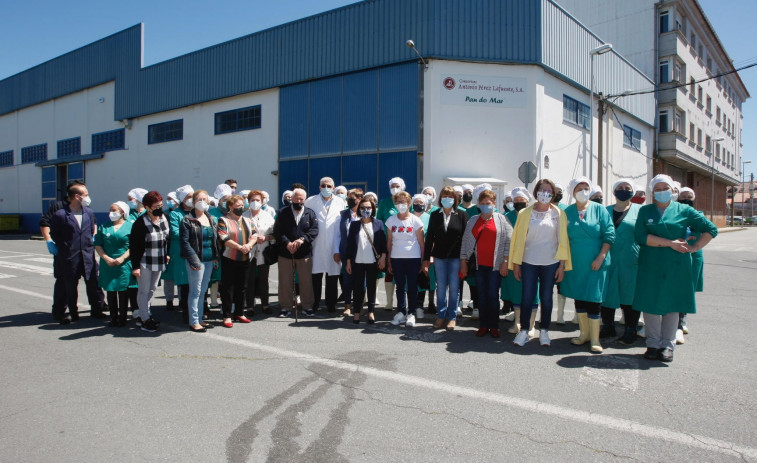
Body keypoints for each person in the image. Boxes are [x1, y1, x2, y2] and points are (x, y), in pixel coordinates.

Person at [634, 175, 717, 362]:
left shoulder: (684, 210)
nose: (662, 192)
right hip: (651, 263)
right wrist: (669, 243)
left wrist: (695, 248)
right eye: (658, 188)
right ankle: (652, 344)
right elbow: (640, 236)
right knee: (650, 304)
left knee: (672, 306)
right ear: (652, 192)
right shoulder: (645, 211)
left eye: (666, 188)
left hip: (676, 265)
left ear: (673, 191)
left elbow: (711, 229)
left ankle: (667, 346)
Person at [508, 179, 571, 346]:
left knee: (546, 297)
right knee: (527, 296)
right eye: (542, 189)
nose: (545, 193)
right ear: (536, 192)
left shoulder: (558, 213)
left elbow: (563, 241)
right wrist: (516, 263)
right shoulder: (525, 213)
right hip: (528, 261)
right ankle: (524, 331)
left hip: (551, 262)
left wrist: (562, 265)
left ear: (553, 193)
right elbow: (517, 240)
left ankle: (544, 331)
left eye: (549, 190)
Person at [560, 177, 615, 353]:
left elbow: (609, 234)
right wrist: (562, 263)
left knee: (594, 299)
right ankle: (583, 334)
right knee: (580, 298)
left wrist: (601, 256)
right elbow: (562, 239)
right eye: (579, 188)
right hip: (575, 263)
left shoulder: (600, 210)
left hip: (596, 262)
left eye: (586, 188)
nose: (583, 191)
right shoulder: (567, 212)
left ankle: (595, 338)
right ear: (573, 191)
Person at [48, 182, 106, 323]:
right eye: (85, 195)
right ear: (76, 196)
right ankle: (67, 312)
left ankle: (97, 309)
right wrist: (64, 245)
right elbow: (54, 233)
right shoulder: (61, 214)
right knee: (68, 286)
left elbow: (92, 228)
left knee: (93, 283)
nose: (88, 197)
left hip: (87, 255)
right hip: (68, 257)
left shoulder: (88, 212)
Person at [460, 189, 511, 338]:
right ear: (478, 204)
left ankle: (494, 326)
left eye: (488, 203)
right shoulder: (473, 220)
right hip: (478, 266)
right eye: (482, 203)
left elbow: (509, 241)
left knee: (493, 296)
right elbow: (465, 242)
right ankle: (483, 325)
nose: (485, 206)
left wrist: (505, 262)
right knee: (481, 296)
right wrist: (463, 261)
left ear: (494, 203)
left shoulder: (502, 219)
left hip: (495, 266)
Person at [599, 179, 642, 344]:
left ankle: (630, 329)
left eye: (627, 188)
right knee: (607, 293)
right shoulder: (605, 210)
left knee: (630, 295)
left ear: (633, 191)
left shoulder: (640, 211)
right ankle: (608, 325)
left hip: (631, 259)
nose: (623, 190)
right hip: (608, 258)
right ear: (614, 191)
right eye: (620, 188)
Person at [423, 186, 467, 330]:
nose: (447, 199)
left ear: (455, 199)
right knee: (441, 287)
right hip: (439, 257)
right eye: (444, 196)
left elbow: (465, 239)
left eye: (450, 196)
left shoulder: (461, 214)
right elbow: (429, 238)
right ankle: (441, 316)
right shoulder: (435, 214)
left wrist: (464, 259)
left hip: (456, 257)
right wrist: (426, 259)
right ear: (440, 198)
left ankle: (452, 317)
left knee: (454, 288)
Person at [274, 188, 319, 318]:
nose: (298, 201)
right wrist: (287, 243)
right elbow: (278, 231)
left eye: (301, 199)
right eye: (296, 198)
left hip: (304, 253)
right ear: (292, 199)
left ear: (304, 200)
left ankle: (307, 306)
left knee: (306, 281)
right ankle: (285, 307)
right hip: (285, 252)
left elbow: (314, 230)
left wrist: (302, 240)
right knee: (285, 281)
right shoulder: (283, 212)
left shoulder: (310, 213)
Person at [129, 191, 170, 333]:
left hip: (159, 260)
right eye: (156, 206)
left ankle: (145, 313)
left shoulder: (164, 217)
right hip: (145, 261)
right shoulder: (140, 223)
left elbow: (167, 238)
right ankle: (144, 318)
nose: (160, 208)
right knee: (144, 290)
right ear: (147, 207)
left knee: (152, 289)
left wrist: (168, 254)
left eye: (161, 205)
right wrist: (135, 266)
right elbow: (134, 247)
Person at [305, 177, 346, 315]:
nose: (326, 188)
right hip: (316, 244)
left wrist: (339, 248)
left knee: (332, 277)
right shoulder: (310, 201)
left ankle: (331, 304)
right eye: (323, 185)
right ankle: (315, 302)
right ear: (319, 187)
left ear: (333, 188)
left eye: (329, 186)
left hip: (334, 243)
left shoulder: (341, 202)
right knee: (315, 276)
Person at [180, 190, 220, 332]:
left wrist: (215, 256)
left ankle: (201, 319)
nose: (202, 201)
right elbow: (185, 243)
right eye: (199, 199)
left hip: (209, 259)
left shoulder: (210, 218)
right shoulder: (187, 220)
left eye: (205, 199)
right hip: (196, 261)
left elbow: (213, 240)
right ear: (193, 201)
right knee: (195, 291)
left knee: (203, 291)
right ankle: (194, 321)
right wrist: (194, 261)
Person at [503, 187, 540, 336]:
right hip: (513, 259)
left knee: (533, 290)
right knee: (516, 289)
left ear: (527, 201)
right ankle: (517, 322)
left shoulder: (535, 214)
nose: (518, 203)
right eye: (516, 200)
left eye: (521, 200)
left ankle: (531, 325)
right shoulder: (506, 216)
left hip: (533, 258)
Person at [217, 194, 258, 327]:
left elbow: (254, 235)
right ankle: (227, 315)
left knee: (242, 287)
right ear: (230, 206)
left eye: (242, 206)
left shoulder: (248, 220)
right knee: (227, 287)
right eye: (237, 206)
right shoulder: (223, 220)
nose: (240, 208)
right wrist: (240, 247)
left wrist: (249, 246)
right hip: (229, 257)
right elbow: (223, 237)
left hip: (245, 258)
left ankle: (240, 312)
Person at [345, 197, 387, 324]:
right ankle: (357, 312)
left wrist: (383, 257)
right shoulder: (354, 225)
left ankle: (371, 312)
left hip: (373, 261)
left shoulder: (378, 223)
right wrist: (348, 261)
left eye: (368, 208)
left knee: (371, 287)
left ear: (373, 209)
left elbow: (383, 244)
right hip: (357, 261)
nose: (365, 210)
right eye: (363, 208)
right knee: (358, 288)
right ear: (359, 210)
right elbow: (350, 245)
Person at [386, 191, 425, 327]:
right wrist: (389, 260)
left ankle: (412, 313)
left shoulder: (416, 221)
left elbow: (421, 243)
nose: (401, 204)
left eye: (404, 202)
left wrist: (423, 261)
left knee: (412, 287)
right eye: (398, 202)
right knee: (400, 287)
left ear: (409, 204)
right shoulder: (391, 220)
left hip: (413, 258)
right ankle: (401, 312)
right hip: (396, 258)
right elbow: (390, 241)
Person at [94, 201, 133, 327]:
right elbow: (98, 244)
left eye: (114, 210)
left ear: (122, 212)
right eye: (110, 210)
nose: (111, 213)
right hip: (108, 263)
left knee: (123, 290)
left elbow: (134, 245)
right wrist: (106, 258)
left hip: (124, 262)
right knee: (110, 290)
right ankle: (113, 317)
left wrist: (122, 258)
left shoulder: (130, 225)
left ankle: (123, 317)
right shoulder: (104, 226)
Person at [243, 190, 276, 315]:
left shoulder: (267, 216)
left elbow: (274, 234)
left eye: (258, 200)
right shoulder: (244, 216)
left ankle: (265, 304)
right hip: (249, 251)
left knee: (264, 279)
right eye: (252, 200)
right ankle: (250, 306)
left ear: (262, 202)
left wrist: (266, 238)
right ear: (248, 202)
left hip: (263, 251)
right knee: (249, 279)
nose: (255, 202)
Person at [676, 186, 700, 342]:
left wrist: (695, 246)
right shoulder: (675, 214)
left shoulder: (698, 215)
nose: (686, 199)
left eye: (689, 196)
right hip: (674, 254)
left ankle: (681, 321)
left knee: (687, 289)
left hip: (693, 256)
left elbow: (708, 231)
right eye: (683, 196)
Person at [334, 188, 363, 317]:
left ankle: (359, 306)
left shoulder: (366, 213)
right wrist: (336, 251)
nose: (350, 201)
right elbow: (337, 235)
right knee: (347, 280)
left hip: (362, 253)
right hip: (346, 253)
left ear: (360, 199)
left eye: (352, 198)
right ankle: (347, 305)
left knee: (361, 281)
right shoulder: (342, 214)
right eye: (348, 198)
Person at [377, 177, 404, 312]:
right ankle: (389, 301)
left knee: (400, 272)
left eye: (397, 186)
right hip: (388, 243)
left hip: (402, 243)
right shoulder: (383, 203)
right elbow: (379, 222)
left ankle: (402, 303)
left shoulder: (405, 201)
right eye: (392, 186)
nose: (395, 188)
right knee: (389, 271)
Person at [169, 185, 194, 322]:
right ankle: (186, 312)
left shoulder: (197, 212)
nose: (191, 199)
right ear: (182, 199)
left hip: (197, 253)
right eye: (188, 197)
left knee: (197, 285)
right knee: (185, 284)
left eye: (192, 196)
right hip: (182, 253)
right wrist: (194, 236)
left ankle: (197, 312)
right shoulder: (175, 214)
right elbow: (175, 232)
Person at [412, 194, 436, 318]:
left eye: (421, 202)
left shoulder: (430, 217)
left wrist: (430, 256)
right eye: (416, 202)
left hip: (425, 255)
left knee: (423, 280)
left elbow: (433, 238)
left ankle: (420, 306)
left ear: (425, 205)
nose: (418, 204)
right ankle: (411, 306)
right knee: (409, 281)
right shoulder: (408, 217)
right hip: (410, 254)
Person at [161, 190, 180, 310]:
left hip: (179, 248)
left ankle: (182, 300)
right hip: (169, 248)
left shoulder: (181, 213)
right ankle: (169, 300)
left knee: (181, 276)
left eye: (171, 199)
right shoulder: (164, 214)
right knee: (168, 278)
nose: (169, 201)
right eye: (167, 198)